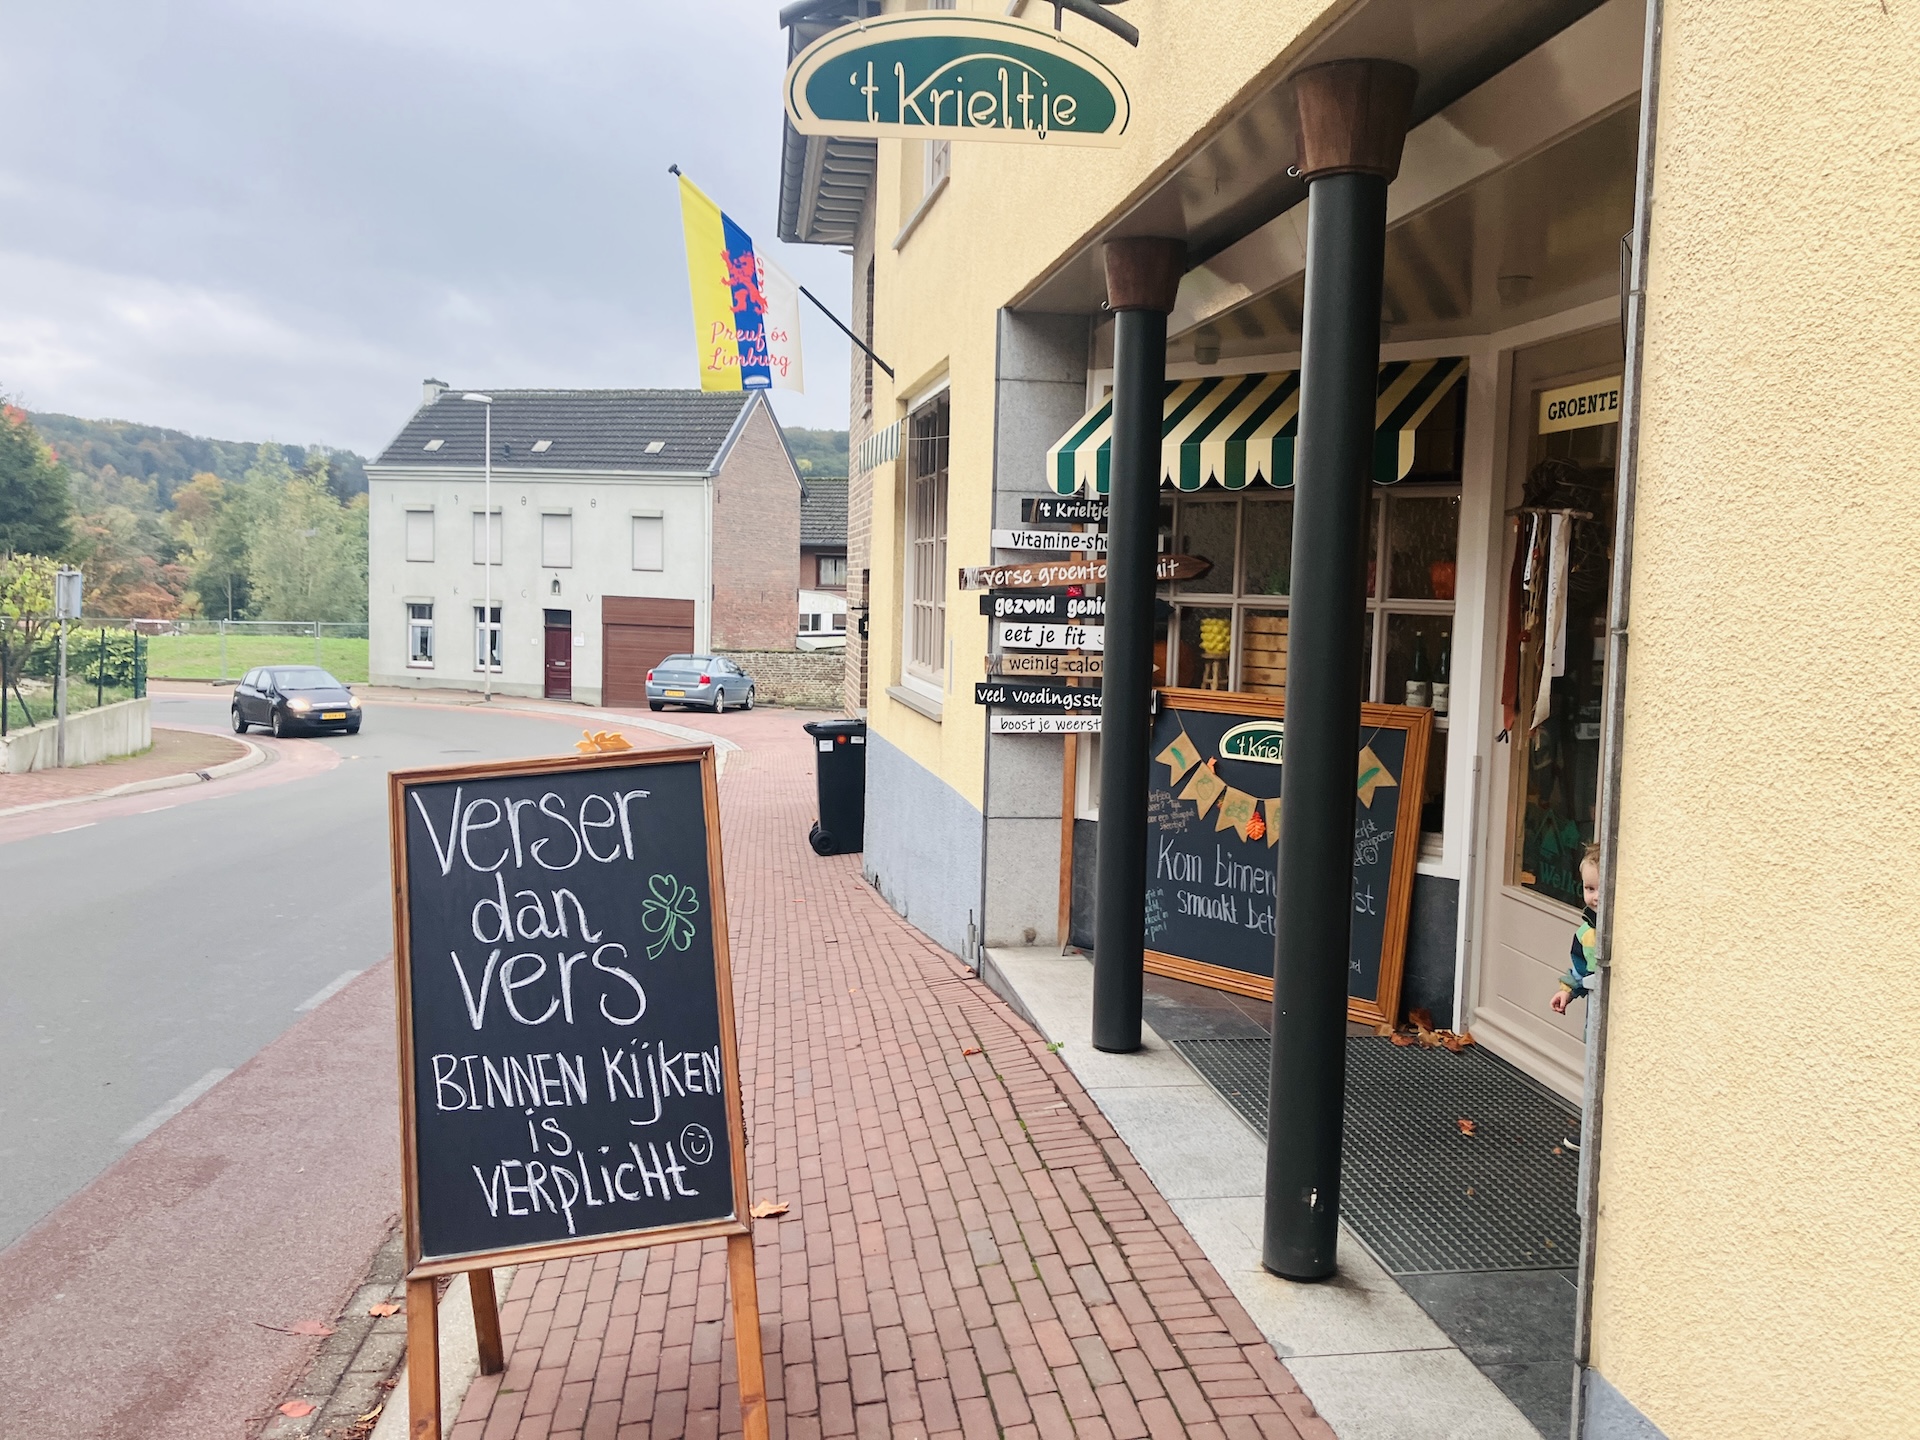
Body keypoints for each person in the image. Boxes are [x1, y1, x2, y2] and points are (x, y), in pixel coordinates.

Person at [1551, 842, 1601, 1016]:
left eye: (1603, 889)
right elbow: (1581, 970)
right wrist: (1567, 991)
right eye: (1590, 889)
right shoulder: (1585, 934)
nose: (1596, 897)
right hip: (1595, 1014)